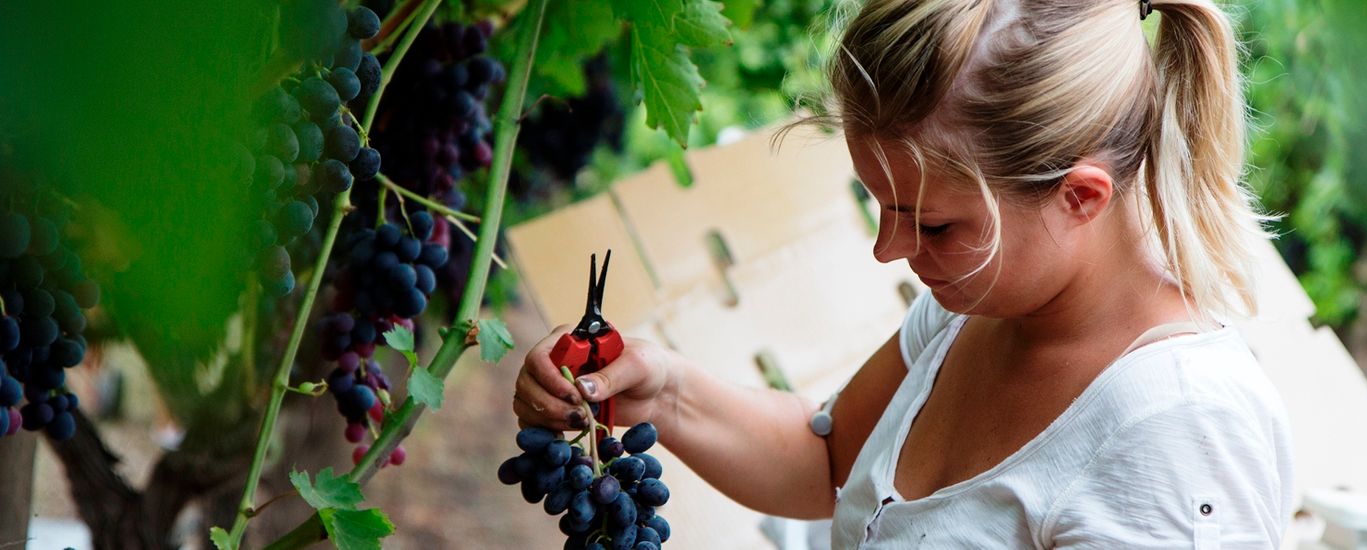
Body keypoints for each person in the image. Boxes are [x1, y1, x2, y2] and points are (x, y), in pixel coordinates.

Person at [512, 0, 1296, 546]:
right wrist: (661, 391)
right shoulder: (974, 312)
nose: (888, 250)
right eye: (881, 204)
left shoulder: (1176, 436)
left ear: (1080, 197)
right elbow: (827, 465)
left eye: (931, 223)